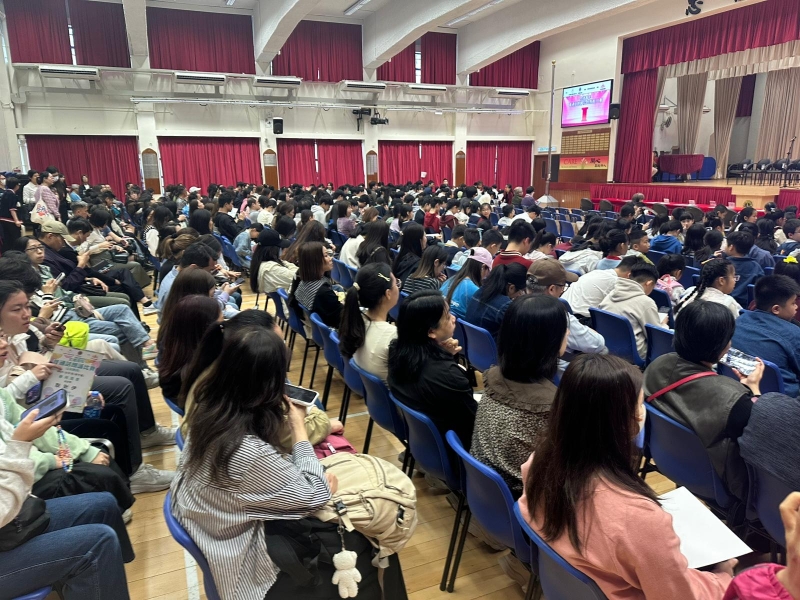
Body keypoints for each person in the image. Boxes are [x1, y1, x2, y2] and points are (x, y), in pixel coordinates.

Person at [520, 353, 735, 600]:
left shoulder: (537, 464)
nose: (642, 412)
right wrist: (723, 577)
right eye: (639, 404)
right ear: (626, 421)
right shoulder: (638, 519)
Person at [172, 324, 339, 600]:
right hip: (242, 567)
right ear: (269, 385)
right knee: (359, 540)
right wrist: (298, 427)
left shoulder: (209, 410)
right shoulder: (246, 452)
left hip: (215, 527)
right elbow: (316, 494)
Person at [0, 281, 176, 493]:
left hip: (48, 385)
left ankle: (147, 432)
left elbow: (35, 361)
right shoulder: (6, 344)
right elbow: (10, 404)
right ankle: (133, 472)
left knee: (127, 370)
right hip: (38, 407)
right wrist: (33, 376)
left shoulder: (18, 336)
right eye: (17, 309)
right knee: (119, 389)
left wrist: (48, 342)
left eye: (28, 305)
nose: (26, 314)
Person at [0, 410, 133, 600]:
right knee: (97, 544)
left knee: (103, 505)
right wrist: (21, 445)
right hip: (7, 516)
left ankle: (111, 585)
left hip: (12, 515)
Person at [644, 300, 766, 503]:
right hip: (719, 487)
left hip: (668, 460)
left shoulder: (656, 365)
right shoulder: (734, 400)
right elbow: (763, 435)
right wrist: (754, 389)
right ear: (722, 346)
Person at [471, 295, 566, 498]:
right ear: (551, 340)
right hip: (522, 498)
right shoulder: (551, 404)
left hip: (484, 491)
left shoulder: (493, 376)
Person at [388, 290, 476, 447]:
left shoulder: (397, 353)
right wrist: (448, 362)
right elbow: (474, 422)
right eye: (447, 317)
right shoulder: (448, 375)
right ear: (431, 332)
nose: (454, 318)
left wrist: (446, 356)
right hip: (455, 449)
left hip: (422, 443)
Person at [731, 275, 800, 398]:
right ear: (776, 309)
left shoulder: (737, 322)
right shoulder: (793, 334)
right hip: (783, 401)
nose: (796, 307)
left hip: (737, 392)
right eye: (793, 303)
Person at [526, 260, 605, 359]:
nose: (562, 291)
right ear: (552, 289)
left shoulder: (514, 305)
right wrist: (591, 331)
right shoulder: (558, 316)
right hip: (552, 365)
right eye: (562, 286)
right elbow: (597, 344)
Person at [339, 263, 398, 382]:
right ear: (388, 294)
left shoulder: (356, 321)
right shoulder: (392, 335)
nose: (398, 288)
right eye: (397, 284)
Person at [598, 262, 668, 361]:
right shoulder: (646, 302)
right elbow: (656, 338)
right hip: (633, 354)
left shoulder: (612, 293)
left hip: (606, 346)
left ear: (629, 275)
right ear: (649, 283)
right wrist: (664, 325)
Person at [157, 295, 221, 402]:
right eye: (220, 324)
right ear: (205, 328)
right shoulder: (205, 360)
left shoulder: (173, 344)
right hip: (198, 404)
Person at [561, 256, 640, 321]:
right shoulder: (615, 282)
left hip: (563, 313)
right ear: (629, 275)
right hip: (580, 320)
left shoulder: (595, 272)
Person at [464, 263, 527, 339]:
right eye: (522, 290)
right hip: (490, 345)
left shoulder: (480, 291)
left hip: (471, 341)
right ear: (511, 288)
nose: (521, 294)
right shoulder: (505, 306)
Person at [291, 242, 342, 328]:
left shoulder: (303, 282)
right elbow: (341, 319)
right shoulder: (323, 292)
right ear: (315, 261)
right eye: (326, 256)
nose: (331, 258)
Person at [676, 258, 741, 320]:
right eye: (734, 276)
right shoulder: (729, 303)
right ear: (721, 281)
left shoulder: (690, 291)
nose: (735, 280)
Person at [441, 248, 492, 319]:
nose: (486, 275)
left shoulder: (450, 280)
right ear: (483, 267)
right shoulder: (476, 291)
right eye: (488, 271)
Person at [250, 228, 296, 296]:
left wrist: (285, 263)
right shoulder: (272, 269)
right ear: (273, 249)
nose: (282, 249)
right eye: (280, 247)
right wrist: (291, 266)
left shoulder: (259, 261)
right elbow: (297, 277)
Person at [725, 231, 765, 307]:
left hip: (722, 306)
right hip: (747, 308)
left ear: (731, 247)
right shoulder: (756, 267)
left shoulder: (721, 264)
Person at [0, 177, 22, 247]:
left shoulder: (5, 193)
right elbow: (12, 209)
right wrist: (16, 221)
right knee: (15, 239)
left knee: (7, 239)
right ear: (16, 185)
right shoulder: (12, 195)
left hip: (3, 219)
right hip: (10, 220)